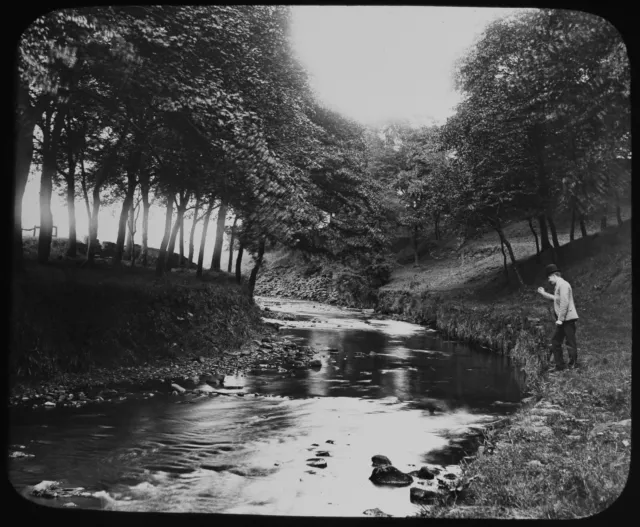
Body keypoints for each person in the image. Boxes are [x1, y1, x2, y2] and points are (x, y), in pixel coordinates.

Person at [537, 264, 579, 371]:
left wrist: (560, 319)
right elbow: (557, 298)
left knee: (570, 342)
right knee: (555, 341)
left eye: (549, 277)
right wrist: (543, 293)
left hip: (567, 319)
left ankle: (572, 366)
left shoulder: (563, 285)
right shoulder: (559, 285)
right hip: (563, 319)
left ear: (554, 275)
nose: (549, 280)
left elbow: (564, 303)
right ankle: (560, 366)